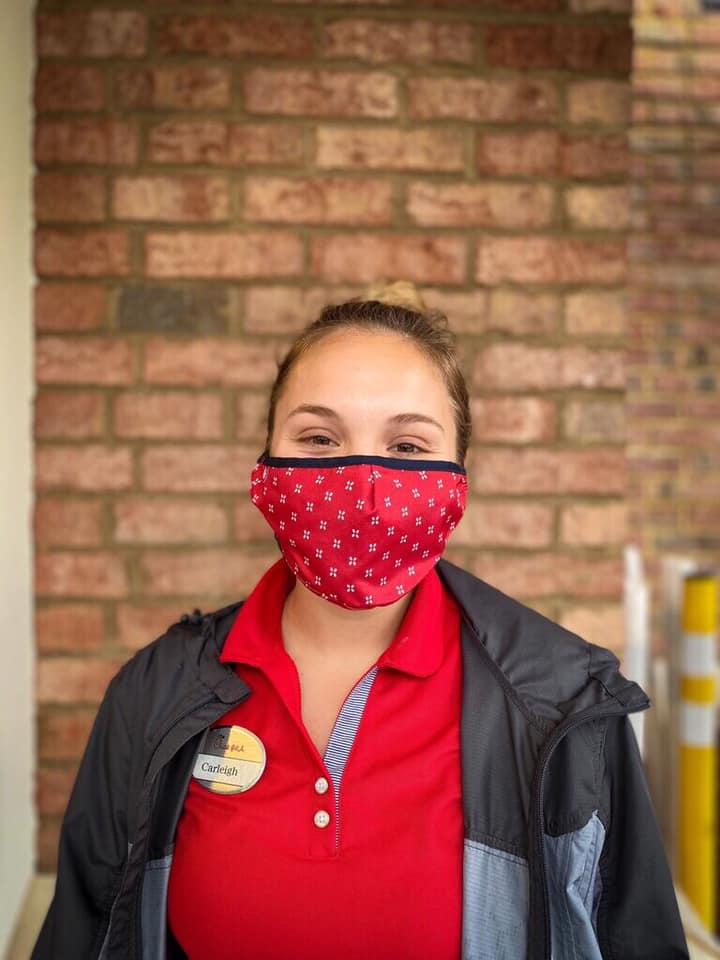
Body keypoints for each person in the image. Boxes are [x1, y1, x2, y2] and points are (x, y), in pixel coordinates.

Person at [32, 281, 689, 960]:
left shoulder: (565, 703)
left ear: (460, 474)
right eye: (319, 438)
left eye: (407, 447)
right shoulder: (154, 692)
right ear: (265, 463)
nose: (365, 485)